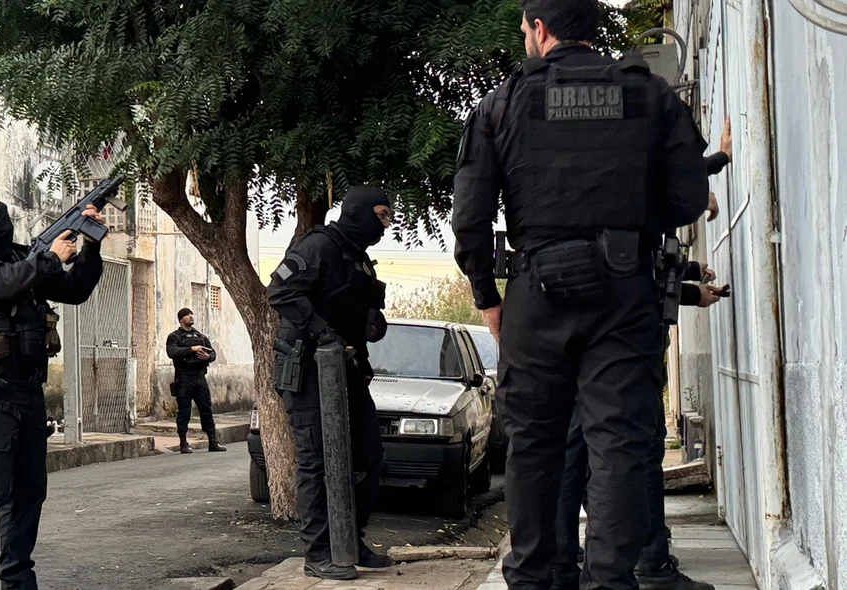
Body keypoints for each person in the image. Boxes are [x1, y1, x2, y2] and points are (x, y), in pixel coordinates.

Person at [450, 0, 710, 588]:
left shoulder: (502, 103)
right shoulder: (649, 95)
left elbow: (470, 216)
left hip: (534, 294)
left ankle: (534, 577)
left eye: (523, 31)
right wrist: (634, 232)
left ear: (540, 31)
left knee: (534, 444)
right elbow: (689, 199)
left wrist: (487, 296)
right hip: (623, 289)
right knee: (619, 445)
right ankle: (611, 580)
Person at [554, 123, 735, 590]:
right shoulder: (622, 198)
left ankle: (580, 563)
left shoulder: (586, 197)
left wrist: (691, 280)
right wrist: (713, 165)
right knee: (626, 457)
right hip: (622, 353)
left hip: (592, 349)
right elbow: (638, 271)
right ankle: (644, 563)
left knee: (590, 458)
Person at [0, 185, 106, 590]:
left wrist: (90, 243)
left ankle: (18, 581)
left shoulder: (18, 258)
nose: (2, 208)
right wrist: (48, 259)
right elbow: (1, 284)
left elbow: (74, 290)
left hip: (27, 390)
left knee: (28, 494)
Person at [267, 185, 394, 581]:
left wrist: (369, 332)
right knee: (316, 461)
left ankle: (349, 542)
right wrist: (322, 333)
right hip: (306, 370)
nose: (386, 223)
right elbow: (280, 291)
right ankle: (319, 553)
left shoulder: (359, 257)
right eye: (381, 214)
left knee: (368, 456)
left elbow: (360, 315)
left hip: (346, 369)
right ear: (356, 213)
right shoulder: (319, 245)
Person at [165, 307, 226, 453]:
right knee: (184, 411)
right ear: (181, 319)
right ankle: (183, 443)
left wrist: (208, 357)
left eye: (191, 314)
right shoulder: (174, 336)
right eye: (187, 315)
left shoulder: (201, 336)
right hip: (184, 377)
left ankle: (213, 441)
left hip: (199, 376)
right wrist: (192, 349)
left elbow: (212, 353)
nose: (191, 316)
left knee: (207, 409)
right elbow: (171, 352)